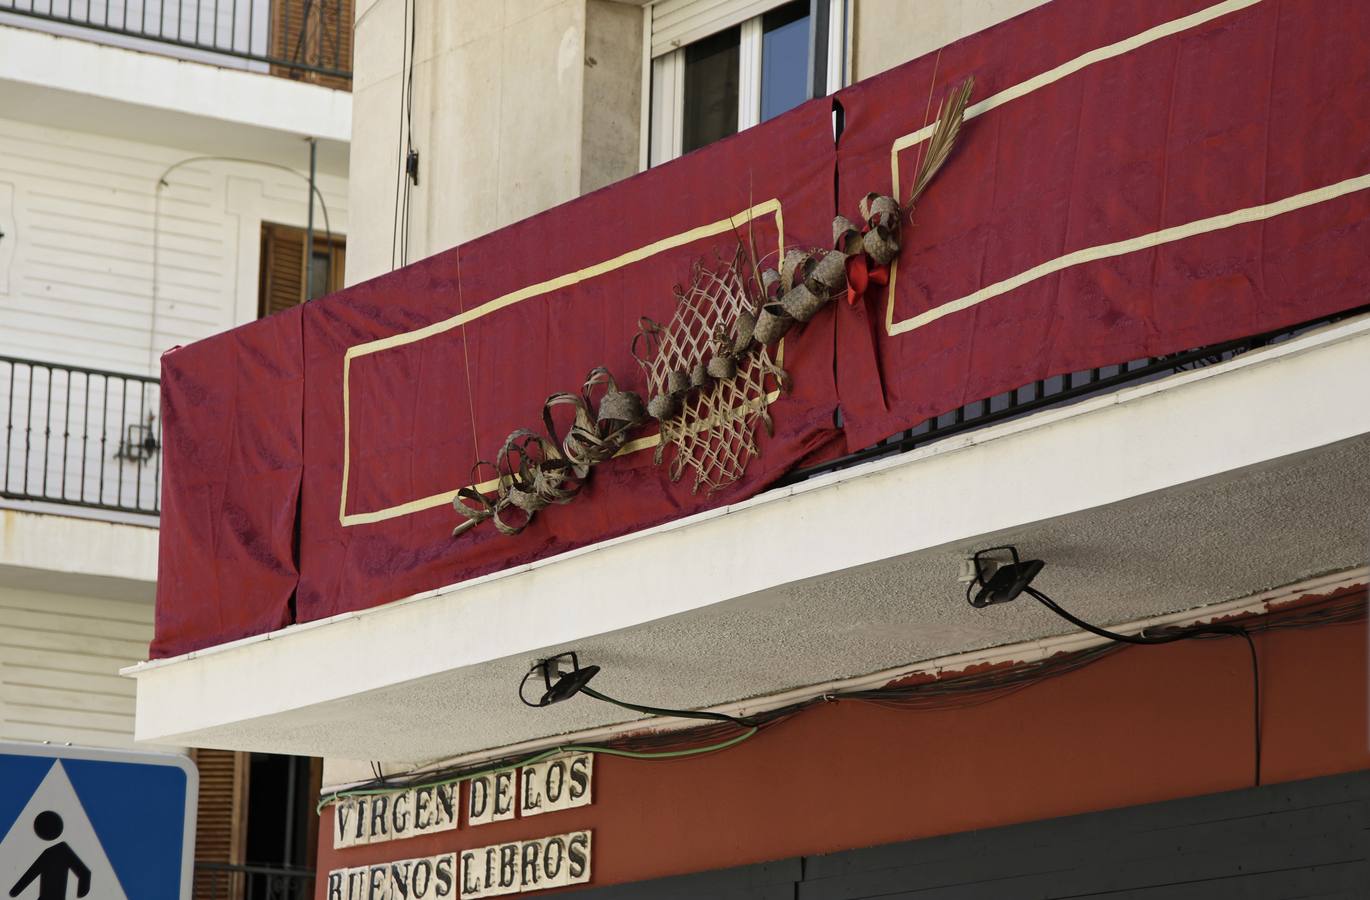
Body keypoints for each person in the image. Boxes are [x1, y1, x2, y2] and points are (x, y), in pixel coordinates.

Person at [8, 811, 91, 900]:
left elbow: (84, 873)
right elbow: (32, 873)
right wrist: (81, 893)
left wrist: (14, 892)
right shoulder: (56, 852)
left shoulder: (57, 852)